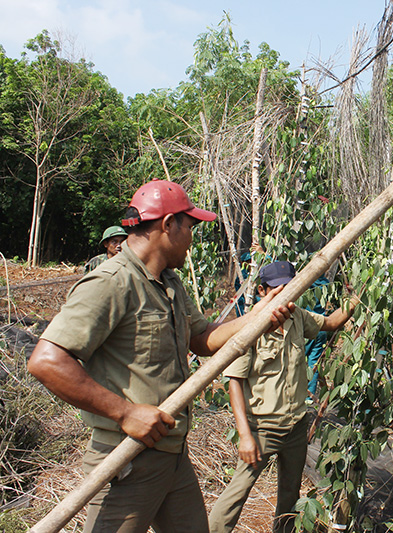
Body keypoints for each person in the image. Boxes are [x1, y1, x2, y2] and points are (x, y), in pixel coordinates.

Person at [27, 180, 294, 533]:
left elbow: (201, 338)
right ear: (168, 225)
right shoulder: (112, 282)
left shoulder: (170, 284)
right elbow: (46, 361)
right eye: (190, 227)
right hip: (126, 460)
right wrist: (124, 412)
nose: (193, 238)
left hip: (172, 455)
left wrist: (260, 314)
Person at [208, 261, 358, 533]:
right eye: (279, 291)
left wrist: (355, 300)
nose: (286, 297)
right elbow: (235, 383)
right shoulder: (250, 327)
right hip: (262, 429)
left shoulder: (298, 316)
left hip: (296, 426)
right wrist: (244, 435)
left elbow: (332, 322)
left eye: (291, 290)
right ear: (263, 291)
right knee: (236, 494)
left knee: (290, 494)